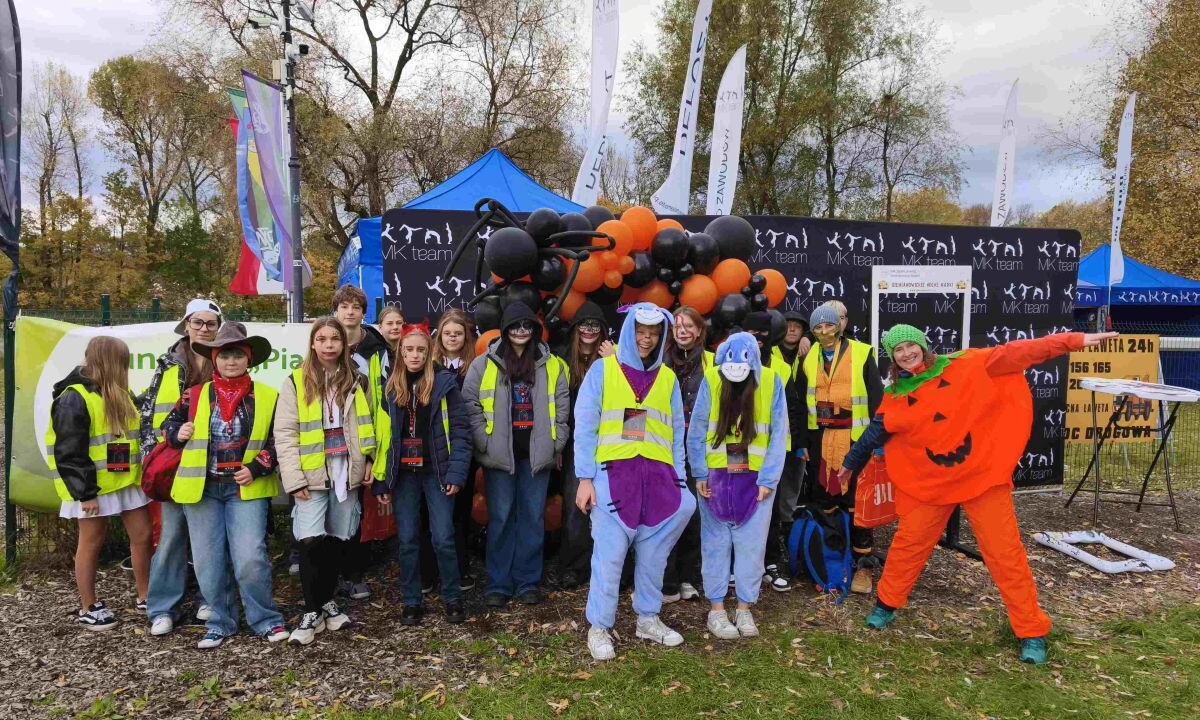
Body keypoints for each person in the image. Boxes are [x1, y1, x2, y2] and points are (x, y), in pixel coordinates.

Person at [839, 325, 1117, 664]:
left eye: (911, 345)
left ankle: (1031, 631)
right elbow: (876, 432)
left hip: (979, 477)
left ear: (923, 345)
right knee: (908, 546)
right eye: (898, 350)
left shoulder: (966, 363)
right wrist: (850, 463)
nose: (906, 353)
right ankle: (886, 604)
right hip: (930, 483)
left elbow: (1017, 353)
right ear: (893, 358)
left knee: (1005, 553)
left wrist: (1071, 341)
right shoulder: (897, 393)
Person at [574, 302, 695, 661]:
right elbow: (585, 426)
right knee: (608, 559)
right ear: (629, 331)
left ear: (662, 337)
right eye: (641, 332)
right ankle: (599, 625)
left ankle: (647, 617)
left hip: (658, 482)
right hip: (613, 479)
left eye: (654, 333)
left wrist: (681, 481)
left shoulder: (669, 378)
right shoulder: (602, 371)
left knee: (654, 558)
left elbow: (676, 434)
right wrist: (584, 478)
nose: (646, 339)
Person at [161, 322, 288, 649]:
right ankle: (220, 621)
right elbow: (168, 428)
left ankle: (266, 619)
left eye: (237, 355)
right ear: (214, 359)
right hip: (202, 491)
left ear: (248, 359)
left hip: (244, 490)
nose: (231, 362)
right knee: (207, 561)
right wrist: (178, 434)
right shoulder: (194, 395)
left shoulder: (268, 397)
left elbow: (281, 440)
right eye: (225, 355)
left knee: (250, 557)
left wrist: (257, 467)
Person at [276, 318, 377, 646]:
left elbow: (369, 422)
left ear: (343, 344)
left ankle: (327, 602)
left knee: (336, 538)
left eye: (335, 338)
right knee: (310, 539)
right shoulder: (295, 381)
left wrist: (370, 460)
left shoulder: (356, 380)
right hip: (312, 473)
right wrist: (293, 479)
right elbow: (286, 433)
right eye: (322, 339)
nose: (330, 344)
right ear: (313, 343)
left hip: (346, 472)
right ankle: (311, 609)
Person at [463, 302, 570, 608]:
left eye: (527, 326)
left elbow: (562, 408)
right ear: (505, 329)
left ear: (535, 330)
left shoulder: (553, 365)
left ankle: (527, 582)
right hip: (500, 456)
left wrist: (556, 441)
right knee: (500, 518)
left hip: (536, 455)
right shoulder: (484, 365)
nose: (521, 331)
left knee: (532, 519)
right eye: (515, 326)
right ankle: (498, 583)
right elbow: (470, 405)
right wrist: (483, 442)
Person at [48, 336, 153, 630]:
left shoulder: (120, 393)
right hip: (91, 487)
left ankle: (145, 595)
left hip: (126, 482)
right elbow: (69, 451)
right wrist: (85, 494)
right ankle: (88, 605)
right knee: (91, 542)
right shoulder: (73, 397)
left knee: (143, 535)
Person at [688, 332, 788, 639]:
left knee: (752, 546)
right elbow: (698, 427)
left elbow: (778, 432)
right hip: (716, 477)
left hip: (755, 480)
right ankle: (716, 610)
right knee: (715, 543)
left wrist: (769, 479)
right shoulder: (712, 379)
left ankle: (744, 608)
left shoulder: (771, 381)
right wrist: (700, 473)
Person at [373, 321, 472, 625]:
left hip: (436, 472)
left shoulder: (445, 384)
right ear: (400, 353)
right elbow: (382, 436)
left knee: (443, 536)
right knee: (408, 539)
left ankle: (453, 597)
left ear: (430, 352)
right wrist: (382, 479)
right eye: (409, 350)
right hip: (403, 474)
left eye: (420, 350)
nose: (414, 355)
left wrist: (456, 474)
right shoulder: (390, 387)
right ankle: (411, 599)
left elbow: (460, 431)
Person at [141, 299, 225, 636]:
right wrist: (154, 456)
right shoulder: (169, 364)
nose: (204, 328)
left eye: (211, 323)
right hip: (174, 468)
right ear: (186, 325)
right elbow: (150, 414)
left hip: (214, 468)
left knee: (209, 541)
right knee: (172, 538)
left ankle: (210, 599)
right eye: (198, 322)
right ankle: (162, 608)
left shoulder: (227, 361)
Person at [798, 303, 882, 594]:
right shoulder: (808, 358)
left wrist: (877, 445)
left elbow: (877, 402)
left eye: (830, 326)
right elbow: (799, 402)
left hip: (856, 441)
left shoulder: (862, 353)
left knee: (858, 504)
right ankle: (834, 560)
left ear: (840, 326)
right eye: (818, 327)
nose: (824, 332)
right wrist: (801, 444)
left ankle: (864, 566)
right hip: (821, 442)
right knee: (826, 500)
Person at [744, 311, 806, 593]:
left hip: (772, 454)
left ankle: (771, 561)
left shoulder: (780, 368)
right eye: (752, 334)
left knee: (770, 508)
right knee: (739, 508)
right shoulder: (732, 364)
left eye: (763, 335)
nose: (758, 340)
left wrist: (800, 443)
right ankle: (742, 564)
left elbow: (794, 409)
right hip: (738, 453)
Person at [333, 284, 388, 600]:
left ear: (363, 313)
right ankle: (324, 571)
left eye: (355, 307)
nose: (350, 312)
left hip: (362, 437)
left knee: (355, 509)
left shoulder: (376, 351)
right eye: (344, 306)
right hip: (326, 439)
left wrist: (371, 450)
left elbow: (380, 398)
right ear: (336, 311)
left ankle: (354, 573)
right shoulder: (323, 344)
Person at [555, 301, 612, 589]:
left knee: (609, 506)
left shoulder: (614, 359)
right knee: (576, 506)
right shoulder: (564, 360)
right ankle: (574, 566)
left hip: (610, 441)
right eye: (584, 325)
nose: (589, 330)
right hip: (575, 443)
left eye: (595, 325)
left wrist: (613, 361)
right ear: (576, 329)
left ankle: (605, 565)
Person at [660, 306, 712, 603]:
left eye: (688, 326)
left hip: (698, 448)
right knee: (666, 513)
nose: (683, 331)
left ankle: (688, 577)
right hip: (665, 446)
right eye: (678, 326)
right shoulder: (660, 361)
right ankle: (666, 580)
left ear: (699, 329)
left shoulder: (711, 362)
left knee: (694, 513)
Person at [431, 308, 479, 589]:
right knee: (434, 512)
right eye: (448, 333)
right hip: (436, 447)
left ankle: (460, 568)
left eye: (458, 333)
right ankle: (434, 570)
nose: (452, 337)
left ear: (466, 336)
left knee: (460, 509)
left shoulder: (474, 366)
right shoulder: (430, 364)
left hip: (463, 446)